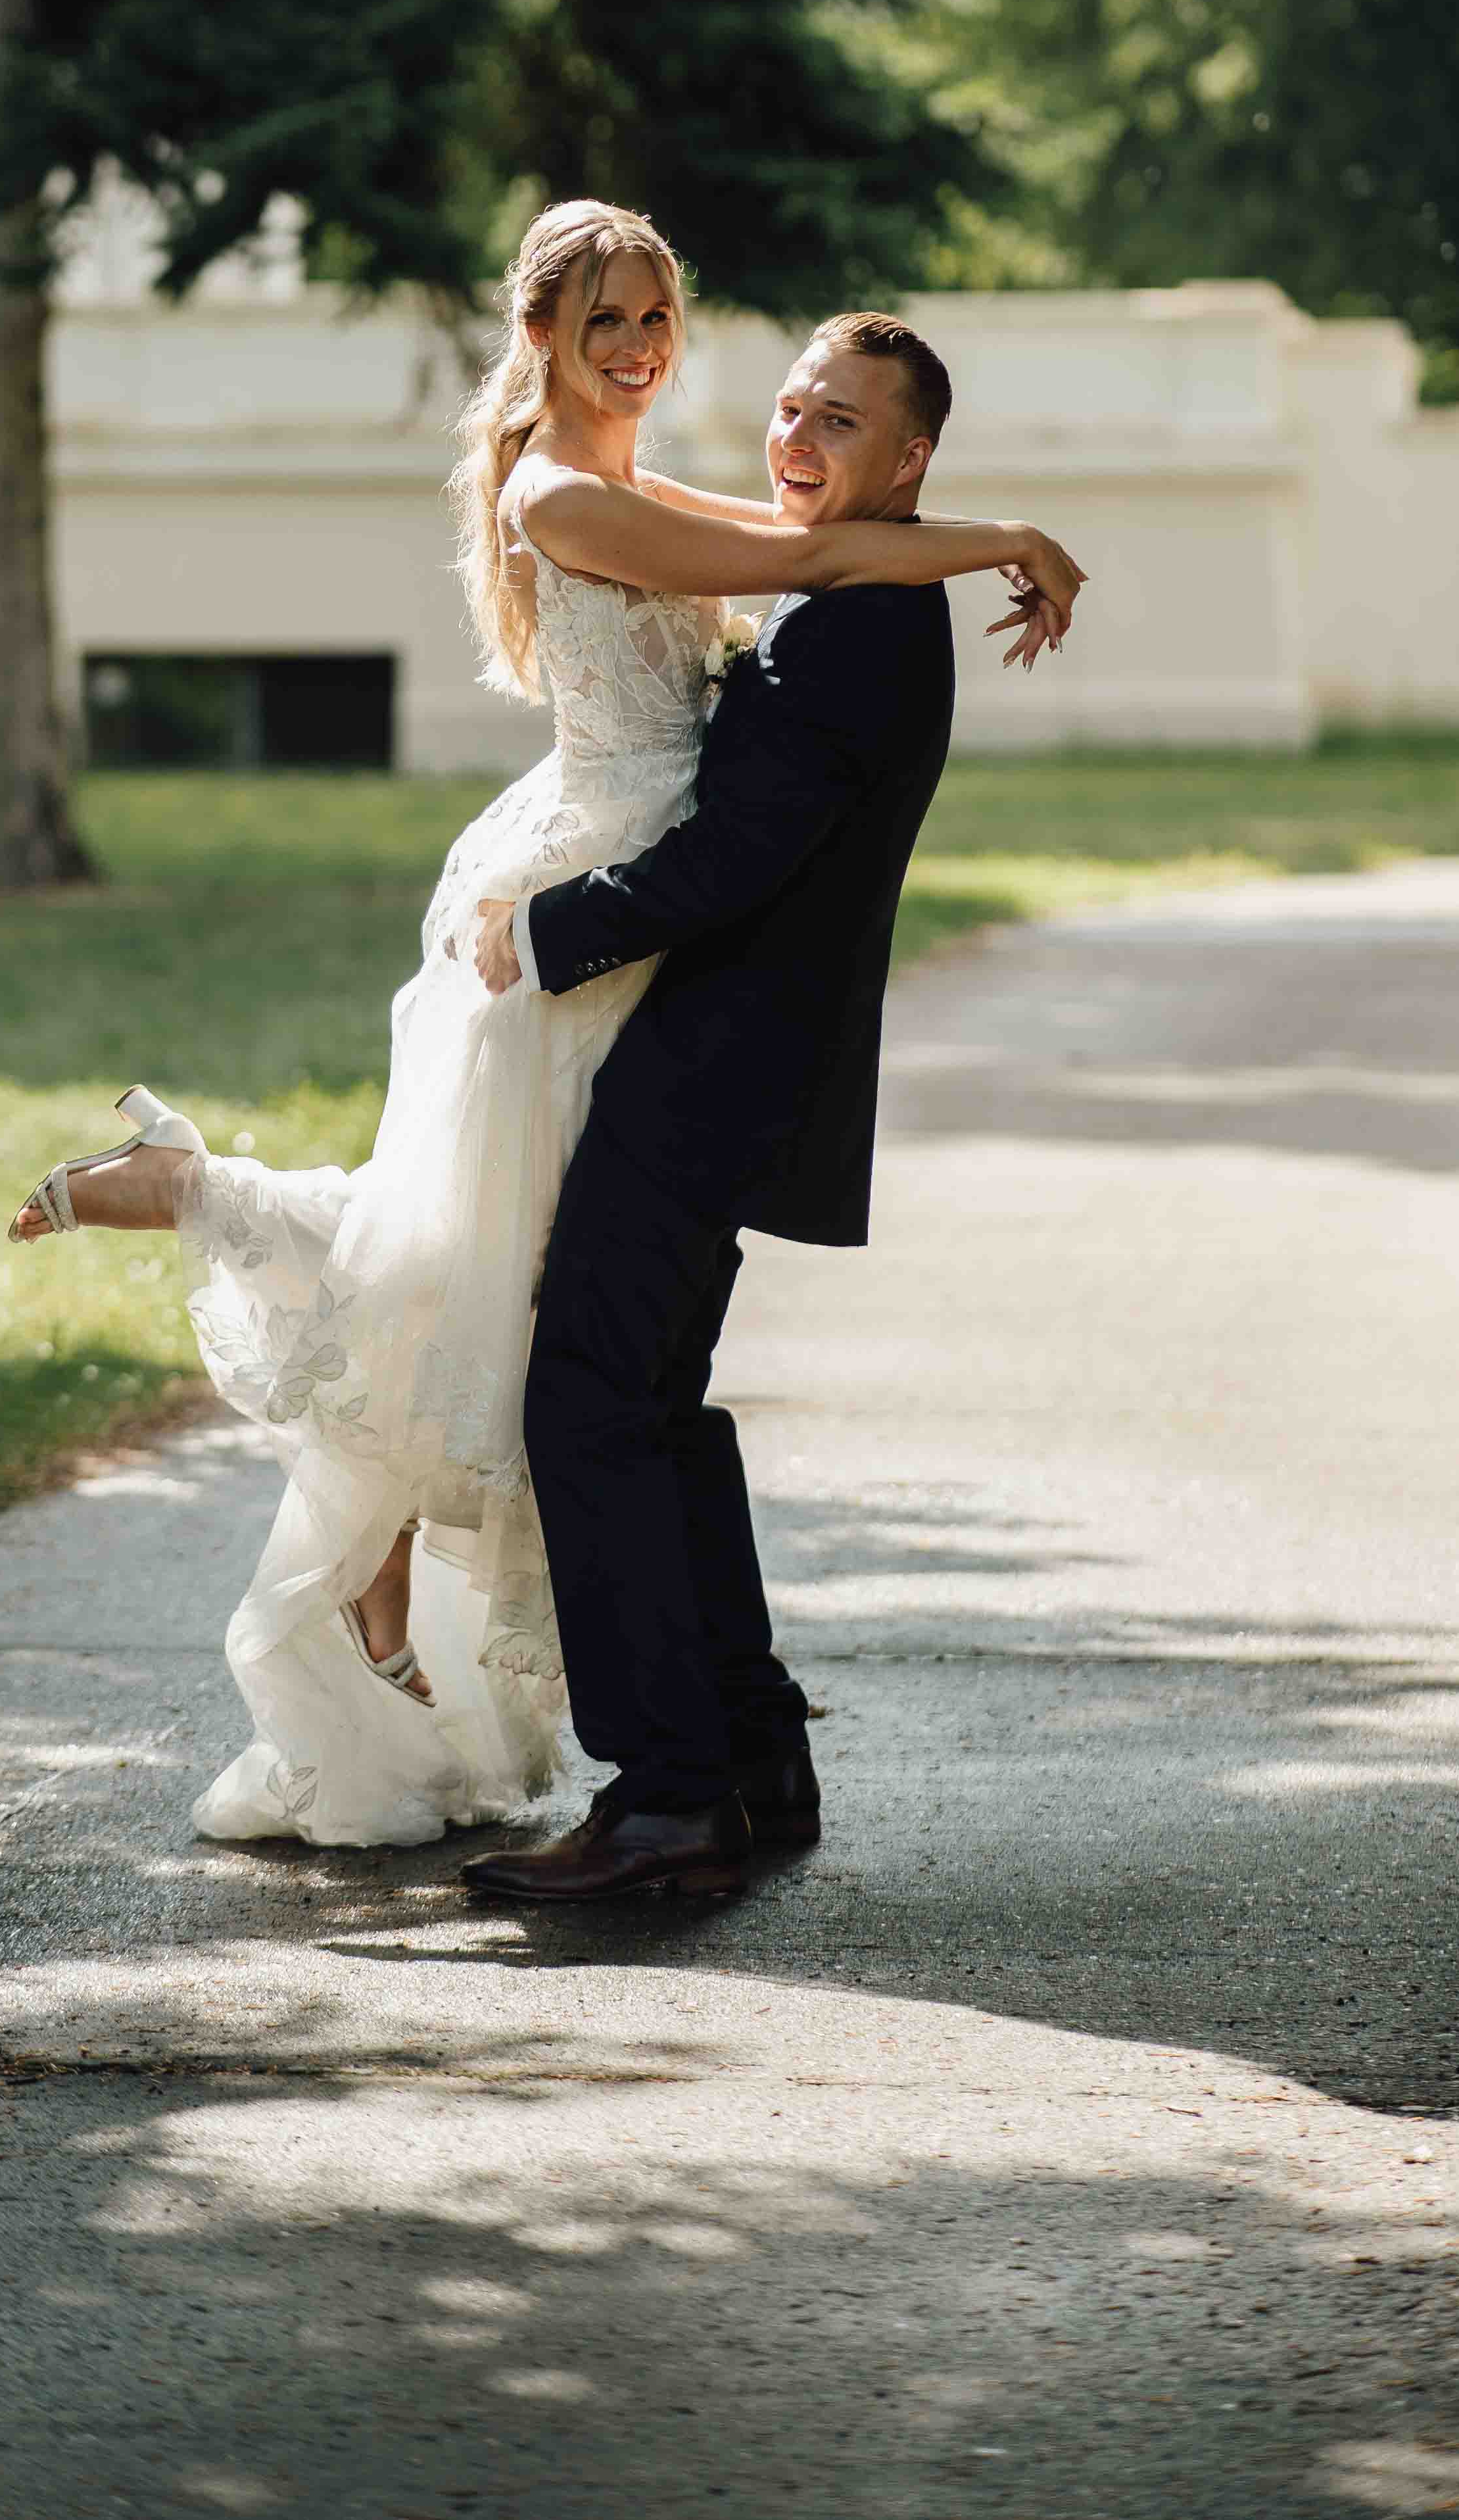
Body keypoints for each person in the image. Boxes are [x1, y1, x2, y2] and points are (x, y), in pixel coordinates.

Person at [6, 203, 1084, 1851]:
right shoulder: (562, 492)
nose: (641, 350)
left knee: (566, 1353)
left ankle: (690, 1768)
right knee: (520, 1317)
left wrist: (990, 531)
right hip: (585, 916)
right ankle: (667, 1748)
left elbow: (807, 557)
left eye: (657, 318)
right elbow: (807, 558)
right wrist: (1004, 534)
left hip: (641, 938)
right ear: (540, 338)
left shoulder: (686, 506)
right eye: (605, 324)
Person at [456, 306, 997, 1903]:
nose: (797, 440)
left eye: (840, 423)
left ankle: (668, 1799)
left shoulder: (859, 627)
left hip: (716, 1061)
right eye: (790, 408)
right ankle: (751, 1753)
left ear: (908, 459)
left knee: (587, 1403)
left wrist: (547, 930)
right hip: (729, 1055)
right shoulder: (849, 596)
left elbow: (738, 855)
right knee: (657, 1405)